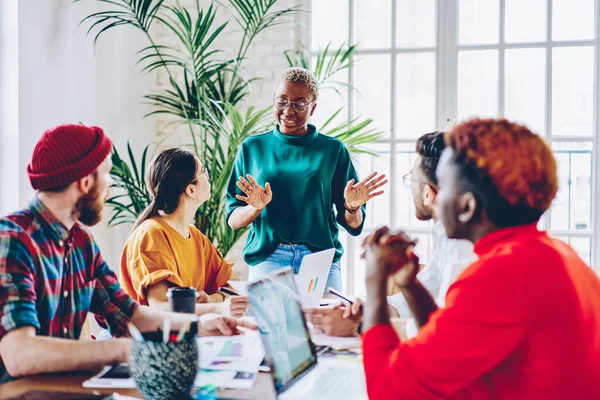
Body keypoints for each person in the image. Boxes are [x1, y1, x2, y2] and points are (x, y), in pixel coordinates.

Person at [361, 118, 600, 399]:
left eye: (444, 185)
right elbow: (451, 347)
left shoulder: (500, 274)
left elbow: (389, 389)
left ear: (467, 206)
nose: (435, 197)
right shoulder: (557, 253)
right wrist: (409, 284)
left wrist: (375, 282)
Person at [0, 124, 255, 382]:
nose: (109, 184)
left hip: (67, 388)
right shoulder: (12, 241)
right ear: (85, 182)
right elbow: (20, 355)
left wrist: (200, 325)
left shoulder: (81, 242)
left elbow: (130, 315)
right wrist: (126, 350)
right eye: (107, 174)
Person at [226, 67, 387, 290]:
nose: (288, 111)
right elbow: (233, 220)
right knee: (268, 324)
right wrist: (255, 207)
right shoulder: (252, 148)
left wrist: (351, 206)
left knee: (326, 323)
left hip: (319, 258)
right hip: (269, 257)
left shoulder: (333, 150)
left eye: (299, 104)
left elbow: (353, 225)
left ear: (313, 107)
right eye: (281, 101)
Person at [305, 132, 474, 338]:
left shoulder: (465, 253)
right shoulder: (448, 238)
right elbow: (424, 294)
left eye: (412, 179)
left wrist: (361, 326)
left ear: (428, 193)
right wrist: (368, 309)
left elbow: (447, 334)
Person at [119, 148, 248, 318]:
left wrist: (211, 299)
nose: (208, 178)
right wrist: (219, 308)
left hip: (185, 333)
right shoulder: (151, 235)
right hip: (146, 339)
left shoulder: (195, 236)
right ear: (191, 190)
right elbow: (160, 307)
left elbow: (234, 287)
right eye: (204, 172)